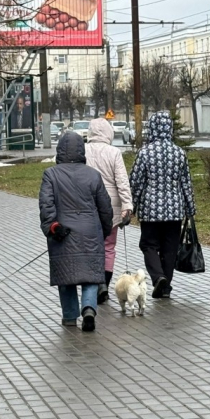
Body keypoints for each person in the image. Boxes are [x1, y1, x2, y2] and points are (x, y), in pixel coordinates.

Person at [39, 132, 113, 331]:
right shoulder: (93, 175)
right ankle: (88, 308)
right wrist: (104, 231)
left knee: (66, 276)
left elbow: (46, 205)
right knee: (91, 275)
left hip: (63, 232)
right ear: (81, 150)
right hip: (90, 232)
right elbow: (105, 207)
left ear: (60, 150)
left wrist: (52, 227)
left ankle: (70, 316)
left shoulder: (51, 175)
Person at [129, 111, 196, 299]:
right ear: (169, 129)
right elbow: (186, 184)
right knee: (170, 248)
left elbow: (135, 183)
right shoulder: (179, 153)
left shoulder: (145, 153)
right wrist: (190, 209)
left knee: (149, 245)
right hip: (174, 210)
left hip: (150, 210)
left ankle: (158, 277)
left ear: (152, 128)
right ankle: (165, 286)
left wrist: (130, 206)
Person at [84, 118, 133, 304]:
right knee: (109, 246)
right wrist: (127, 206)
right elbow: (122, 181)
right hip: (111, 206)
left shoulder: (84, 150)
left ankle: (94, 284)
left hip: (88, 204)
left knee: (90, 246)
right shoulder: (114, 152)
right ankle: (104, 283)